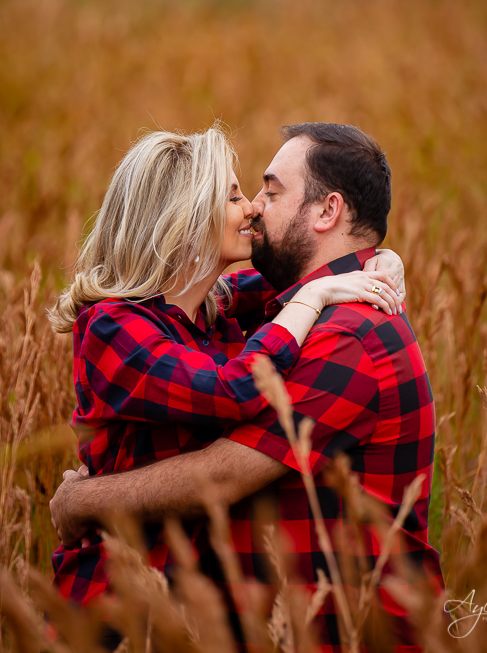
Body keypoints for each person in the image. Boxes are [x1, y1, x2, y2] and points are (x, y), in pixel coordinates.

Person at [51, 122, 444, 652]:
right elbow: (247, 320)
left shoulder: (345, 334)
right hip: (117, 604)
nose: (255, 207)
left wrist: (81, 501)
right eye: (238, 195)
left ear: (327, 212)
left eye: (269, 191)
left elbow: (218, 476)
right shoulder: (149, 323)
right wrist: (348, 274)